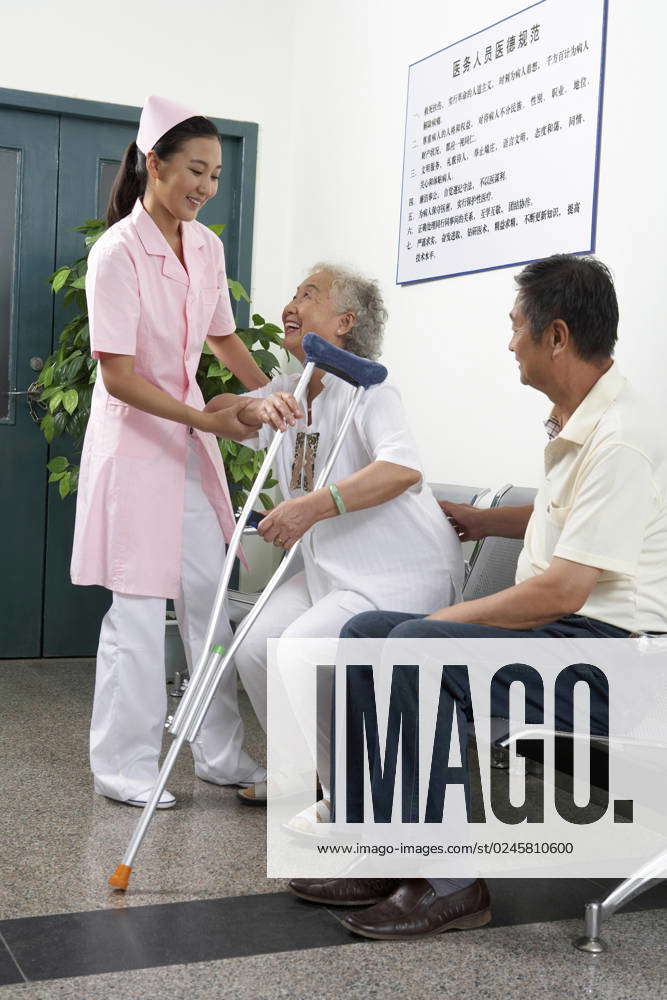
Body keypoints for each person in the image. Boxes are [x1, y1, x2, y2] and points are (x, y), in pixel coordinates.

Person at [289, 253, 667, 938]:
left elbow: (562, 588)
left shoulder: (619, 437)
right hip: (571, 638)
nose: (508, 343)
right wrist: (485, 521)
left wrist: (444, 619)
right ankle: (388, 848)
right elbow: (577, 528)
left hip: (619, 660)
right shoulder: (579, 421)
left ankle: (451, 883)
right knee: (365, 632)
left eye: (515, 327)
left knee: (413, 646)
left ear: (555, 335)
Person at [70, 95, 285, 808]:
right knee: (136, 613)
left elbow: (224, 339)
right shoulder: (117, 254)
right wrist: (206, 416)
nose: (205, 186)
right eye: (195, 169)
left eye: (216, 175)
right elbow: (120, 377)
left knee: (208, 600)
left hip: (190, 445)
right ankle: (124, 767)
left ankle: (219, 752)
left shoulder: (206, 246)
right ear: (153, 164)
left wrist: (284, 397)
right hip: (136, 445)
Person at [204, 263, 464, 824]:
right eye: (293, 293)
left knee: (295, 653)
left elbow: (401, 469)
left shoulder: (370, 386)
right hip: (334, 574)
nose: (291, 305)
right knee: (253, 644)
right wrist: (253, 406)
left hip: (396, 575)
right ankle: (303, 775)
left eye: (309, 295)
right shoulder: (289, 390)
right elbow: (212, 414)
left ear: (345, 322)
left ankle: (346, 800)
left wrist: (311, 507)